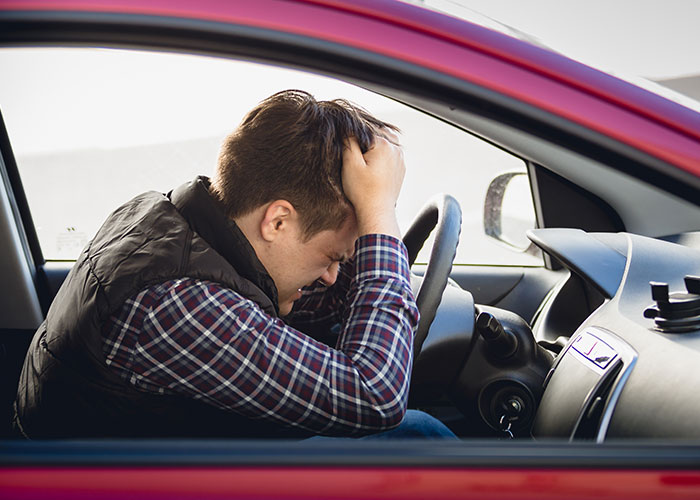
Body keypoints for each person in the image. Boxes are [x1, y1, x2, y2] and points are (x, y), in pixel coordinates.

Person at [13, 90, 454, 439]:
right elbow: (376, 398)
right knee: (420, 436)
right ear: (277, 221)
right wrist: (379, 215)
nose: (332, 275)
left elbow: (313, 303)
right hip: (119, 481)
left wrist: (368, 219)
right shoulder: (179, 305)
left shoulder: (175, 220)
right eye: (330, 258)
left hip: (168, 450)